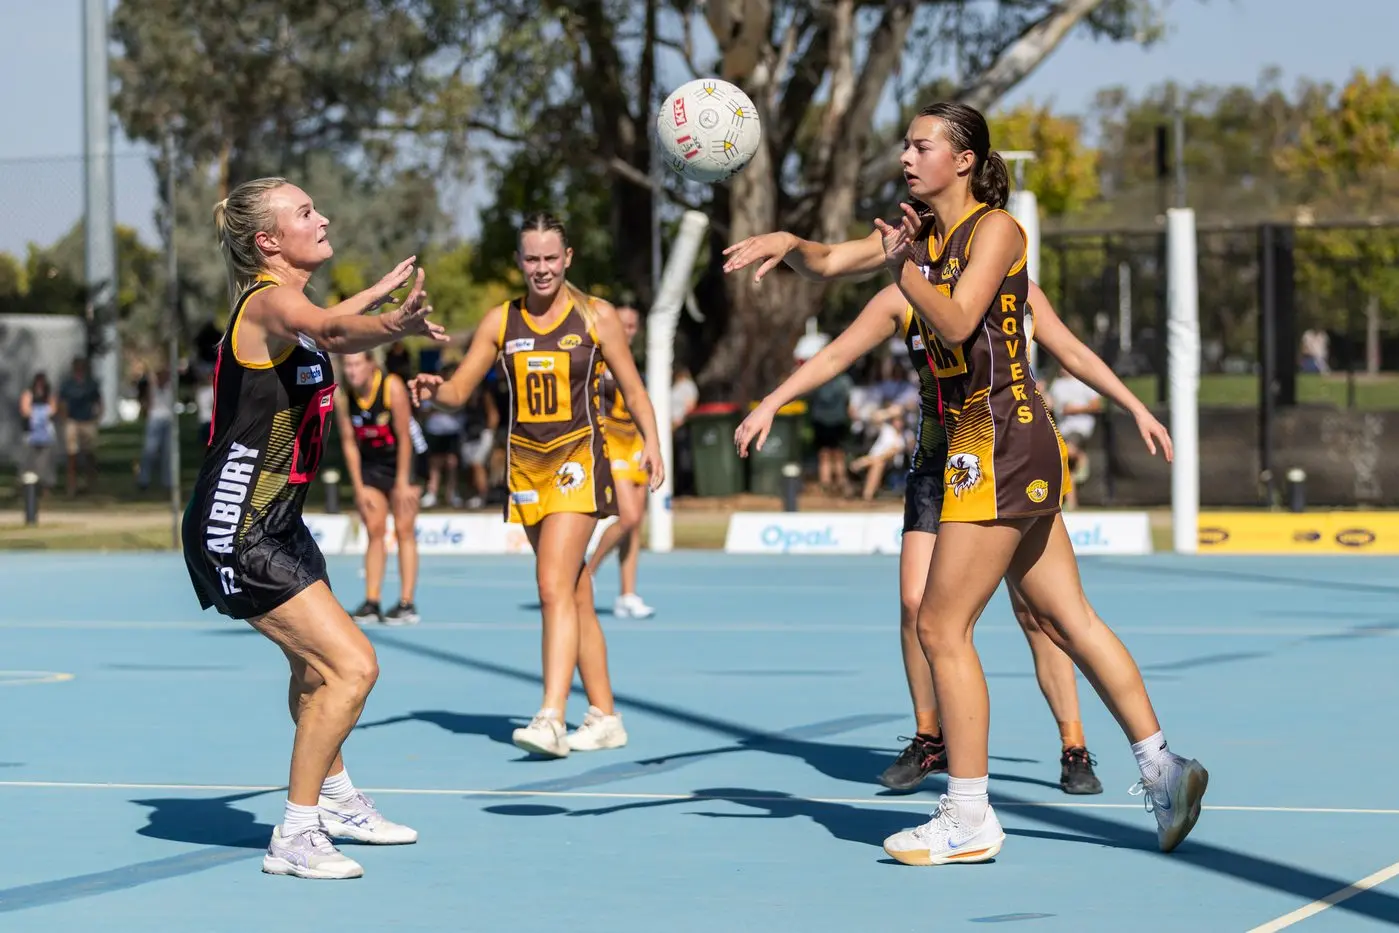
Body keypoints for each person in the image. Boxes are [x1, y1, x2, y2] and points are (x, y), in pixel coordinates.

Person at [723, 102, 1207, 865]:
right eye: (905, 145)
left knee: (941, 626)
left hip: (1000, 434)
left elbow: (953, 323)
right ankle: (1164, 769)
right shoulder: (927, 238)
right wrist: (790, 244)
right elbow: (831, 262)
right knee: (1069, 617)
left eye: (921, 145)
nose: (906, 156)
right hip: (986, 443)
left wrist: (902, 269)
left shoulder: (995, 232)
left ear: (965, 159)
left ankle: (968, 812)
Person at [737, 275, 1165, 797]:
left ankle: (1072, 746)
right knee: (917, 606)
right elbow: (833, 352)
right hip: (938, 462)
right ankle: (931, 739)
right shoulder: (902, 292)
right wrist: (771, 401)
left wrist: (1133, 404)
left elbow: (1069, 348)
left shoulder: (1007, 280)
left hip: (1002, 456)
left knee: (1040, 615)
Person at [182, 176, 446, 880]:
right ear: (268, 241)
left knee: (312, 668)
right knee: (352, 667)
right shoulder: (267, 304)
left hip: (277, 520)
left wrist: (373, 302)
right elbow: (328, 328)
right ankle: (296, 834)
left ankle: (334, 799)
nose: (322, 216)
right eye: (305, 212)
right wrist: (392, 325)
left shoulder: (285, 306)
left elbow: (324, 318)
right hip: (238, 527)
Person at [410, 212, 663, 758]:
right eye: (532, 259)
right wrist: (435, 390)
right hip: (526, 468)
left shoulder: (596, 316)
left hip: (578, 461)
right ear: (519, 261)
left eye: (551, 258)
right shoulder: (502, 320)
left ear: (567, 258)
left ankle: (551, 715)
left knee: (551, 586)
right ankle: (605, 715)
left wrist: (653, 444)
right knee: (574, 593)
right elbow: (459, 390)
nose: (542, 268)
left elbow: (636, 390)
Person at [334, 350, 424, 625]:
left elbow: (406, 438)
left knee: (404, 529)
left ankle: (406, 603)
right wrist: (359, 487)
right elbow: (349, 443)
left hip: (405, 461)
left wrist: (401, 483)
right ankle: (372, 601)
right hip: (373, 465)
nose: (351, 370)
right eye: (347, 364)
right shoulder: (344, 398)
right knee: (374, 529)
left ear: (371, 364)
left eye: (357, 363)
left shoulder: (391, 386)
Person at [584, 303, 656, 619]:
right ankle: (587, 572)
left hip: (635, 444)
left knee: (635, 522)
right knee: (626, 516)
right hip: (609, 444)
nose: (627, 330)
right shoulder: (596, 357)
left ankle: (627, 594)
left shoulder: (634, 364)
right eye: (622, 324)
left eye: (632, 326)